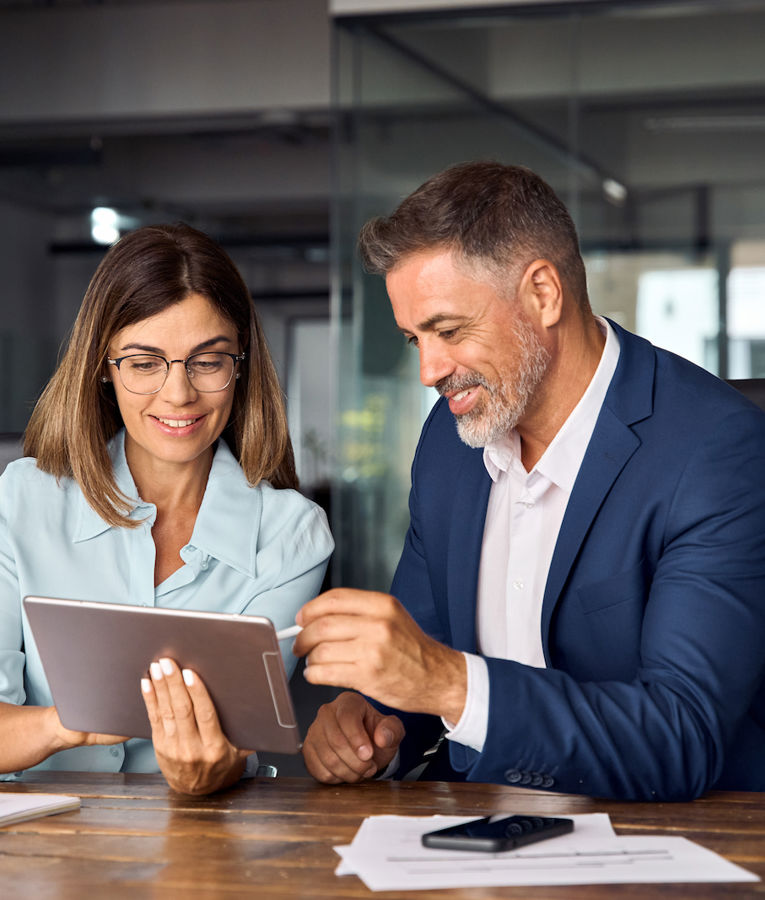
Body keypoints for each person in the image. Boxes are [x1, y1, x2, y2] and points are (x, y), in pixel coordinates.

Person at [293, 161, 765, 801]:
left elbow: (683, 735)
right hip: (468, 831)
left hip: (659, 840)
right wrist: (371, 721)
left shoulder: (716, 452)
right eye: (413, 340)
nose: (429, 370)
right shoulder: (447, 443)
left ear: (543, 293)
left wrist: (451, 684)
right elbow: (422, 659)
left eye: (449, 330)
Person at [0, 223, 333, 795]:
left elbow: (238, 744)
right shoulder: (22, 500)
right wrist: (71, 723)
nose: (178, 394)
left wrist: (213, 769)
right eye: (144, 361)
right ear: (104, 367)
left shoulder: (292, 537)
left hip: (202, 848)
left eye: (207, 361)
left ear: (240, 365)